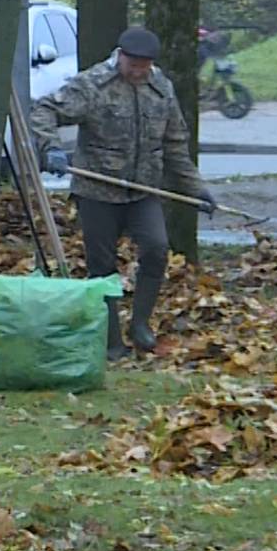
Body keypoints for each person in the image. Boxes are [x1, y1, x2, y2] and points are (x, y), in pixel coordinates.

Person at [31, 25, 214, 359]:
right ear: (121, 57)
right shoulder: (93, 84)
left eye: (144, 66)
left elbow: (175, 147)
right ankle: (111, 338)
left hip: (142, 191)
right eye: (133, 65)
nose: (138, 71)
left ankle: (140, 324)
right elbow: (44, 109)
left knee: (157, 249)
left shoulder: (161, 89)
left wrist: (198, 189)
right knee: (102, 265)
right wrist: (51, 148)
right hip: (97, 191)